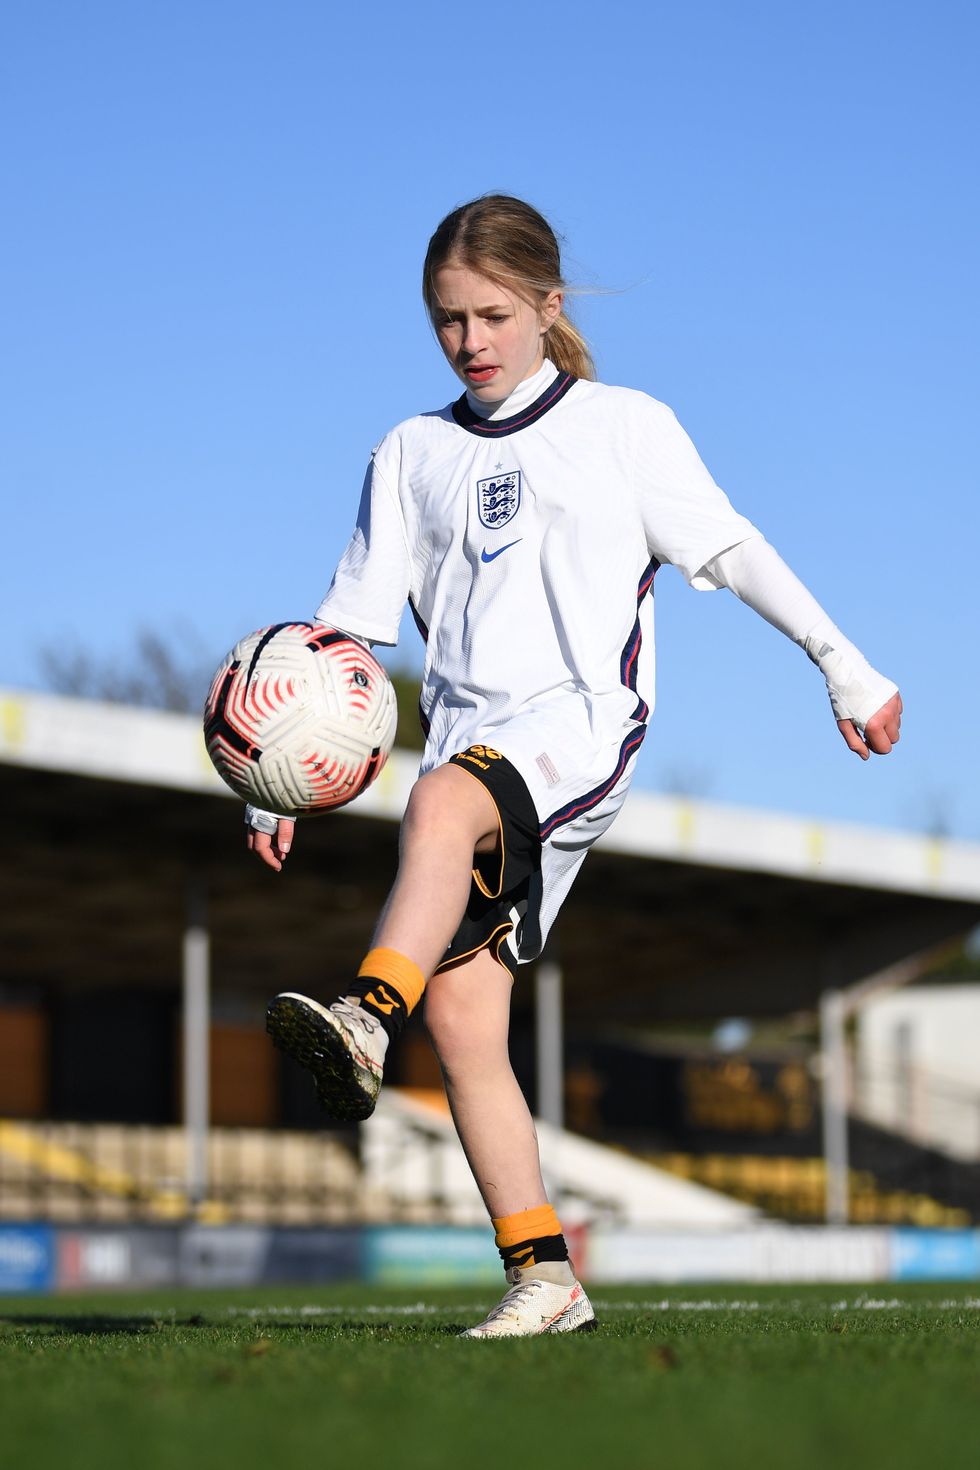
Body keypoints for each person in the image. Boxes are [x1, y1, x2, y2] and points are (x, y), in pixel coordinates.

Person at [246, 194, 902, 1338]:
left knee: (444, 811)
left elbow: (732, 548)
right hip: (467, 759)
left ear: (548, 307)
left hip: (579, 732)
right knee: (462, 1021)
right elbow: (341, 637)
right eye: (447, 320)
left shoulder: (622, 428)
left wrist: (843, 666)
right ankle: (545, 1279)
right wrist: (270, 777)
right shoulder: (408, 452)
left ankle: (361, 1014)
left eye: (493, 314)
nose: (470, 341)